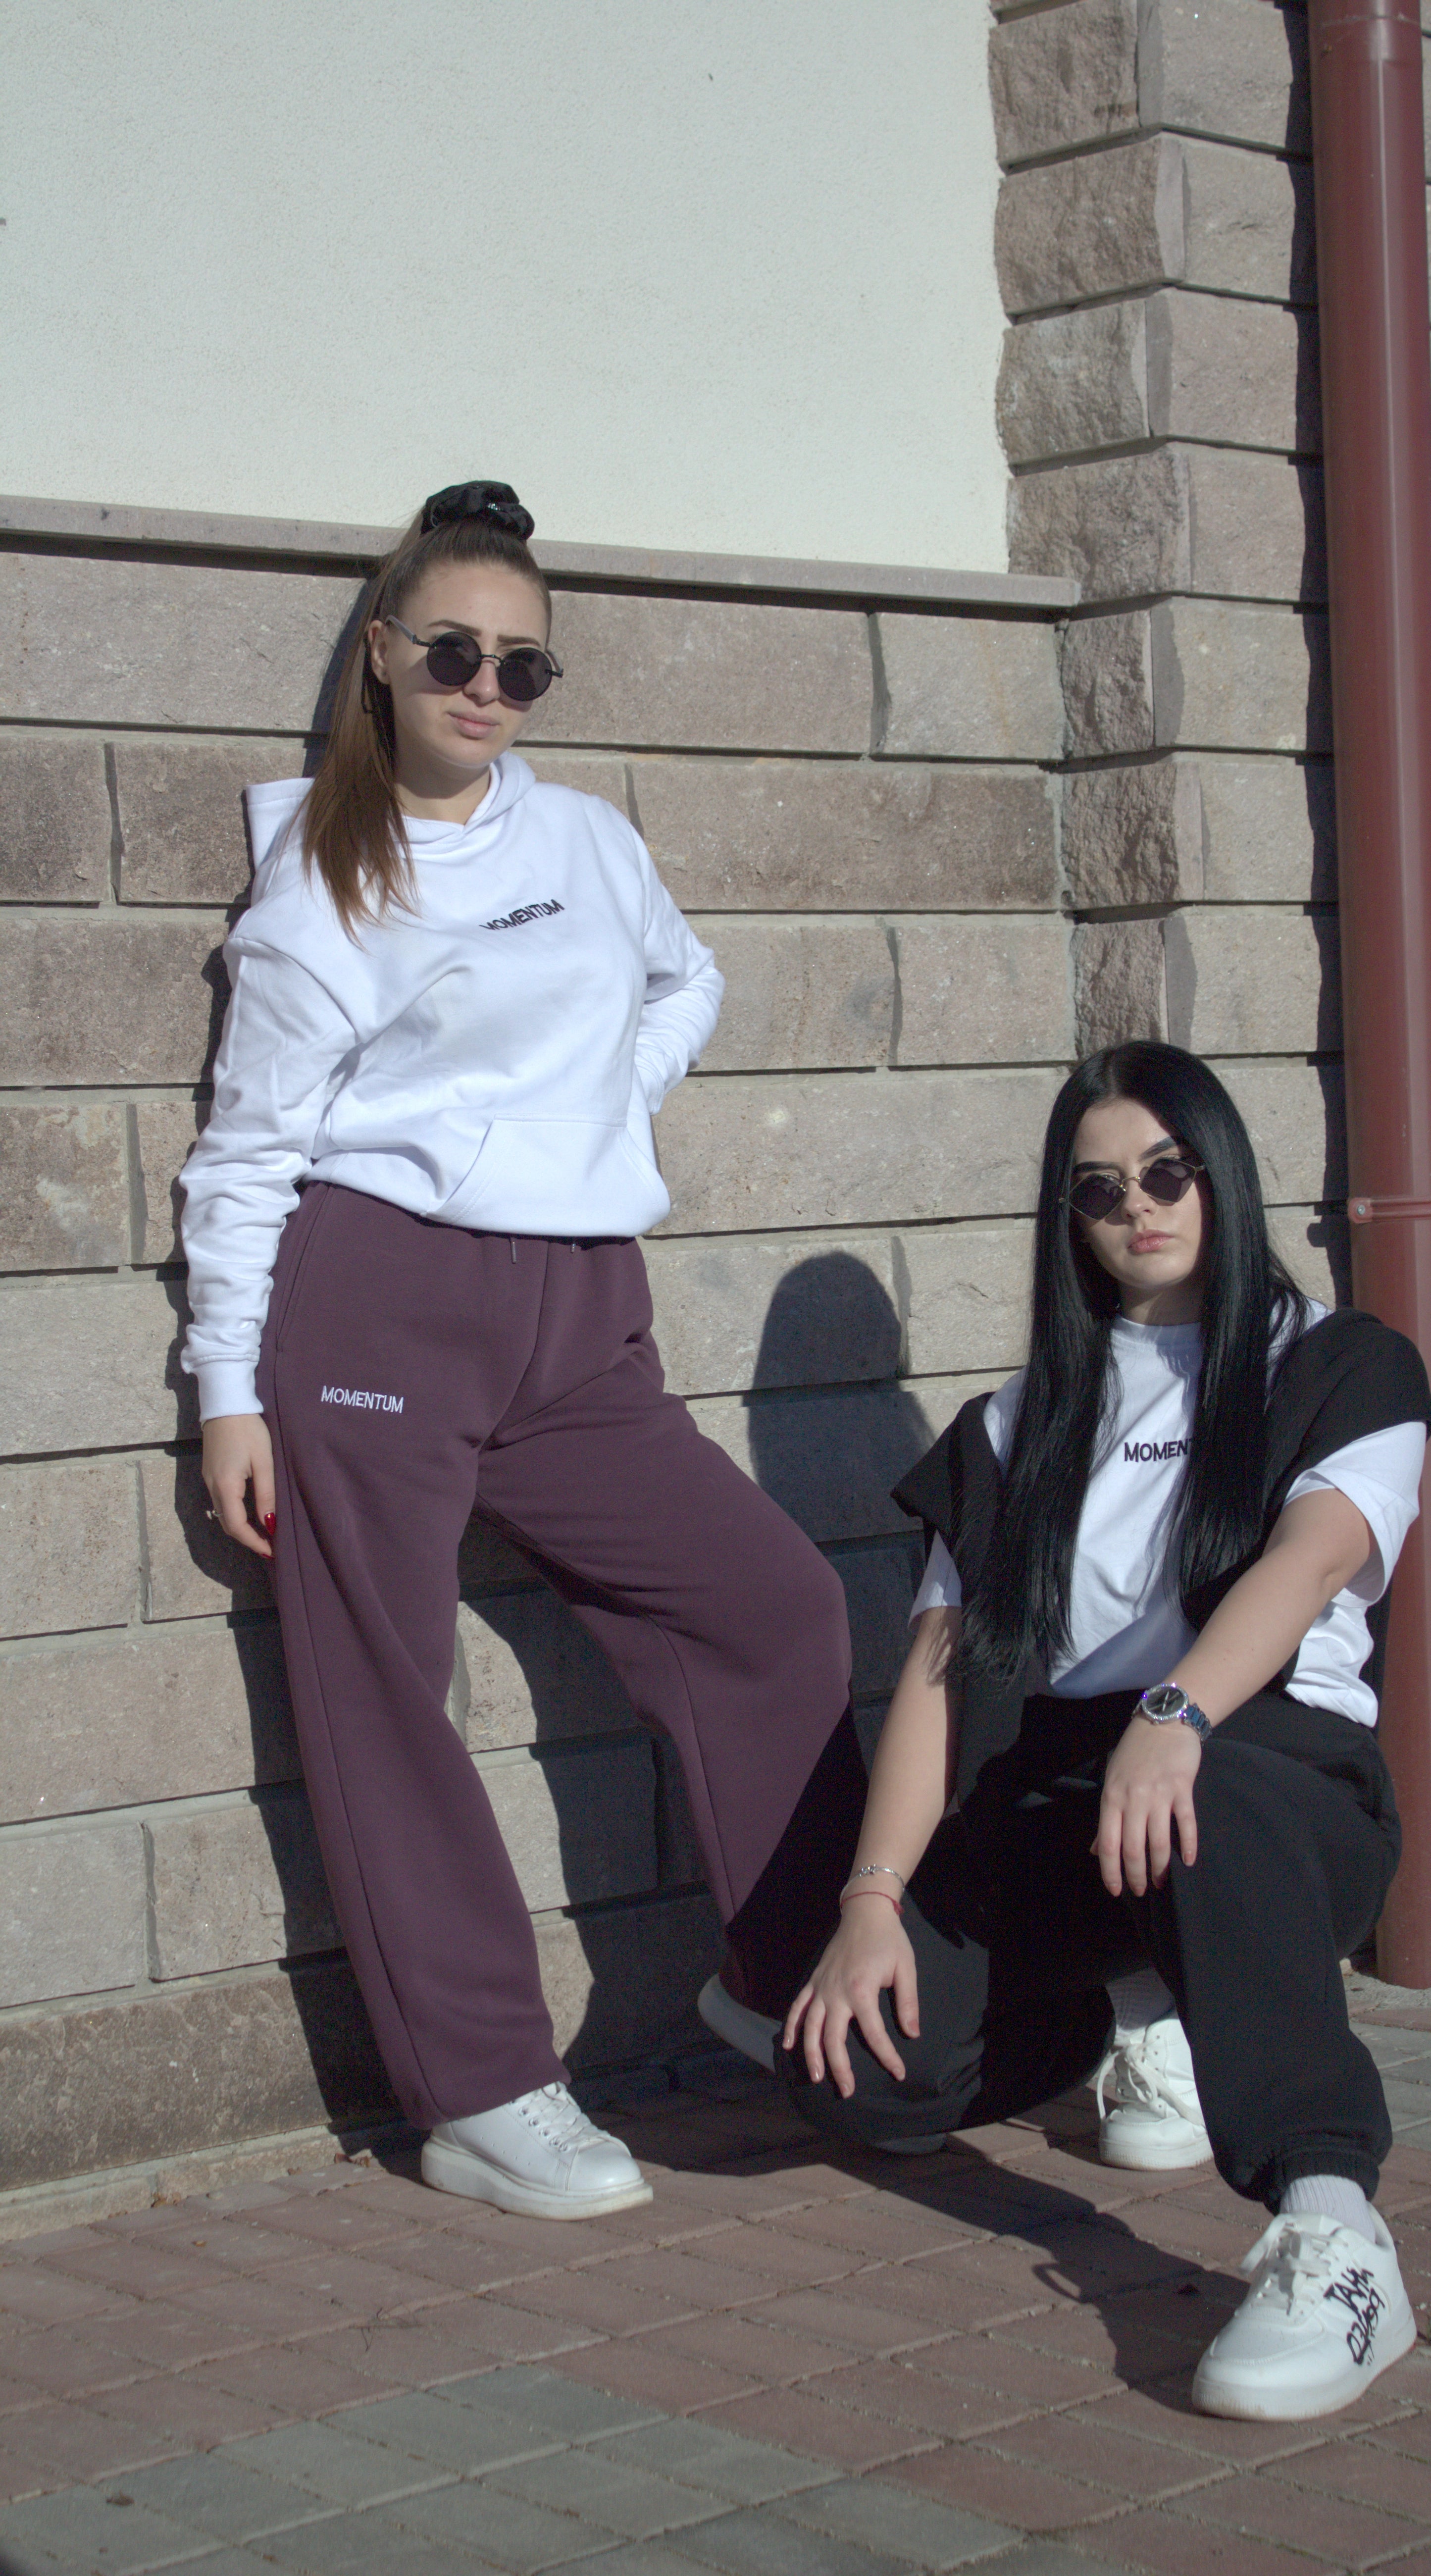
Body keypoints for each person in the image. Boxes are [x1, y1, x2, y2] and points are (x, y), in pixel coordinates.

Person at [185, 481, 861, 2224]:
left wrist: (590, 1114)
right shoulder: (325, 876)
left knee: (769, 1601)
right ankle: (480, 2088)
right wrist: (230, 1388)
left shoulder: (585, 841)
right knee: (387, 1689)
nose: (489, 688)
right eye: (458, 653)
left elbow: (681, 982)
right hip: (376, 1306)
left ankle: (791, 1984)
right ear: (386, 659)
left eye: (525, 665)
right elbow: (250, 1151)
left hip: (578, 1311)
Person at [767, 1040, 1431, 2421]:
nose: (1140, 1205)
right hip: (1072, 1803)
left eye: (1168, 1171)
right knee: (851, 2067)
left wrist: (1178, 1709)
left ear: (1220, 1174)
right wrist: (871, 1898)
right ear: (1064, 1217)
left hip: (1273, 1777)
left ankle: (1336, 2232)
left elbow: (1311, 1558)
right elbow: (939, 1676)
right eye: (1098, 1188)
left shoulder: (1339, 1363)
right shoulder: (1018, 1426)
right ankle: (1126, 2001)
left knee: (1215, 1794)